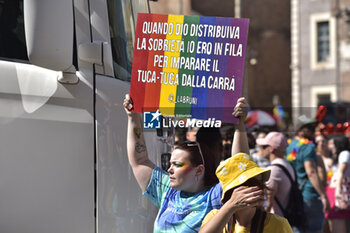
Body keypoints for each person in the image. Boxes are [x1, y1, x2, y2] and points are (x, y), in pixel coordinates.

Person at [123, 94, 261, 232]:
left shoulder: (214, 197)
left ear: (199, 170)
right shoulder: (167, 191)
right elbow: (140, 161)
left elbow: (240, 167)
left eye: (177, 164)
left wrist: (239, 124)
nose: (169, 170)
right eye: (171, 164)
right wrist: (133, 117)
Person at [199, 153, 293, 233]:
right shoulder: (215, 217)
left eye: (260, 181)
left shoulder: (278, 224)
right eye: (251, 183)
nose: (260, 188)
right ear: (231, 192)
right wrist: (230, 206)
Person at [286, 115, 330, 233]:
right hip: (310, 196)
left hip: (295, 197)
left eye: (313, 128)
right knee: (314, 229)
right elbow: (311, 172)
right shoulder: (308, 147)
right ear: (300, 131)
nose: (313, 131)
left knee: (299, 229)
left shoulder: (289, 146)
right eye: (309, 128)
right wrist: (323, 196)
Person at [255, 132, 294, 218]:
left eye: (264, 146)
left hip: (276, 221)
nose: (261, 150)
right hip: (285, 219)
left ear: (271, 149)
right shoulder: (287, 165)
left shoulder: (274, 170)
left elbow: (268, 202)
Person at [325, 135, 350, 233]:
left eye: (332, 144)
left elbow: (341, 172)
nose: (330, 146)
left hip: (338, 193)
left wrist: (338, 190)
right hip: (332, 192)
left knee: (337, 225)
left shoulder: (344, 153)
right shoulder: (338, 156)